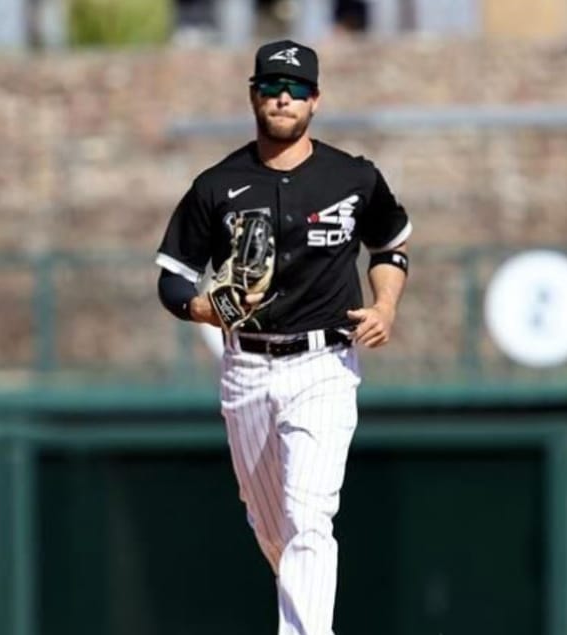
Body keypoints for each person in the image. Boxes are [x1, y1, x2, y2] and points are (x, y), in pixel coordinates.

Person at [154, 39, 411, 635]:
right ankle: (300, 601)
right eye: (271, 86)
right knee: (272, 527)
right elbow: (171, 281)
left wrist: (387, 306)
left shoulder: (354, 178)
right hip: (247, 367)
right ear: (253, 96)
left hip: (324, 364)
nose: (283, 97)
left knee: (309, 516)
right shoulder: (217, 186)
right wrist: (204, 309)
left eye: (296, 88)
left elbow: (391, 245)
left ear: (316, 100)